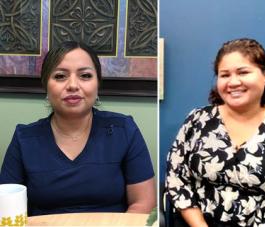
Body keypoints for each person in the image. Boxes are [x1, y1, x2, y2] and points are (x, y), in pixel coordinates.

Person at [165, 38, 265, 226]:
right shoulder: (197, 120)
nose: (233, 82)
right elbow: (177, 180)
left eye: (243, 72)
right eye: (224, 75)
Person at [0, 41, 156, 216]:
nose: (73, 85)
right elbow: (7, 207)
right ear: (45, 85)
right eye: (60, 76)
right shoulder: (24, 138)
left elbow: (144, 203)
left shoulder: (124, 130)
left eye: (85, 76)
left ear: (98, 84)